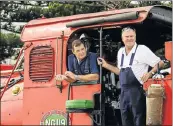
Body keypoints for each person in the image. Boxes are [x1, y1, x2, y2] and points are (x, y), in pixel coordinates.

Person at [97, 26, 164, 126]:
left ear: (135, 36)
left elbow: (160, 63)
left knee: (139, 119)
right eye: (127, 36)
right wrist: (106, 65)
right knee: (125, 119)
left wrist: (150, 73)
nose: (129, 39)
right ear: (122, 38)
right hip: (123, 93)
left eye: (131, 36)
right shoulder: (120, 52)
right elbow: (120, 72)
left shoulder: (142, 49)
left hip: (137, 91)